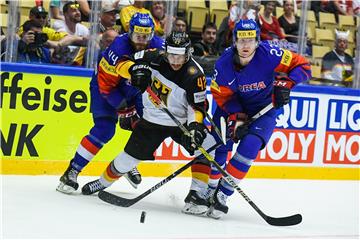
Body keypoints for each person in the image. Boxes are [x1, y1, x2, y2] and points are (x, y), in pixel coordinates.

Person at [81, 31, 218, 216]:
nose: (175, 60)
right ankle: (102, 183)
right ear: (165, 51)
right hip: (152, 120)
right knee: (125, 161)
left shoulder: (195, 75)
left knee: (207, 146)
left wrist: (195, 128)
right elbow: (121, 62)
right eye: (172, 55)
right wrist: (132, 70)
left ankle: (197, 194)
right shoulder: (153, 56)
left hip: (182, 123)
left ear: (188, 53)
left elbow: (197, 107)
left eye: (180, 56)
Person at [205, 19, 311, 219]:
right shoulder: (224, 64)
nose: (246, 46)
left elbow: (304, 66)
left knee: (250, 147)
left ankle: (222, 194)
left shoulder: (270, 54)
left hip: (264, 109)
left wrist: (287, 83)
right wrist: (236, 117)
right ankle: (209, 189)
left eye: (251, 40)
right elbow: (221, 96)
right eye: (242, 40)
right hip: (230, 108)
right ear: (234, 41)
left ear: (257, 41)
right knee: (221, 146)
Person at [56, 13, 164, 194]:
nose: (142, 41)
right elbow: (106, 87)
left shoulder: (159, 46)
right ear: (130, 32)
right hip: (105, 88)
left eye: (146, 36)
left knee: (147, 129)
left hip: (135, 88)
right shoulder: (118, 49)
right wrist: (124, 108)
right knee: (105, 129)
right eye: (138, 36)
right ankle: (71, 172)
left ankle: (127, 162)